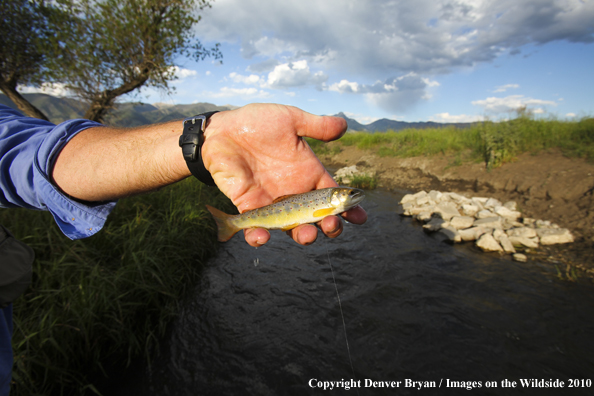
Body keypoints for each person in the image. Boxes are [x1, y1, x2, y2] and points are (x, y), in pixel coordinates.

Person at [0, 102, 367, 393]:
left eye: (348, 195)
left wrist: (209, 137)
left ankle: (232, 220)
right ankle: (232, 222)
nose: (351, 197)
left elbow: (31, 154)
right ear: (336, 196)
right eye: (348, 194)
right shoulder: (328, 201)